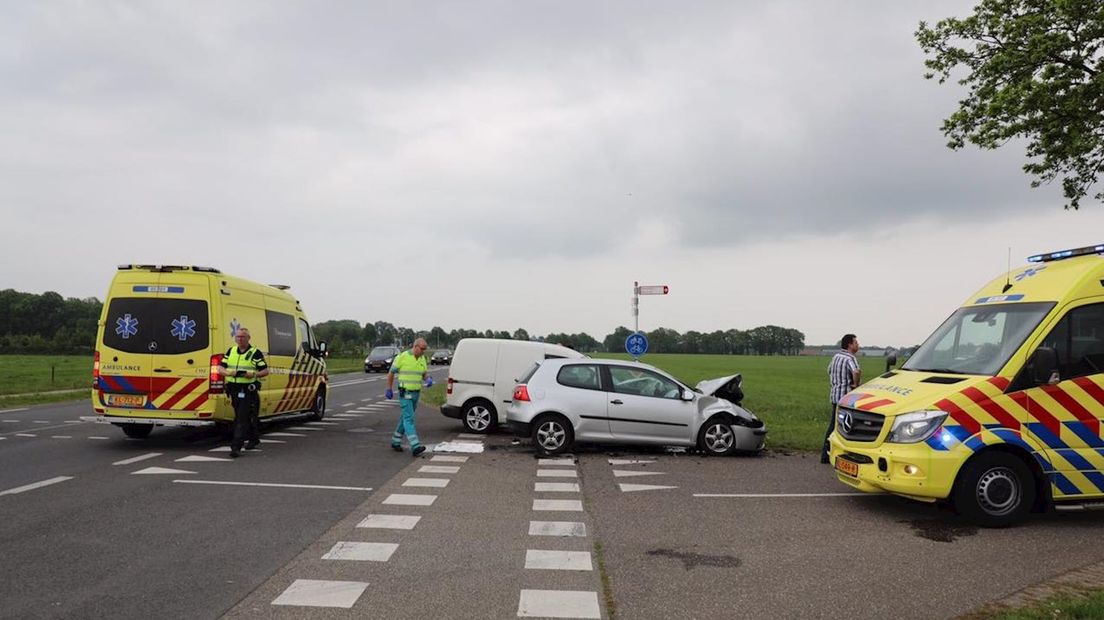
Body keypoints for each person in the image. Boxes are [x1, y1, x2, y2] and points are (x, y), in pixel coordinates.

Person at [218, 327, 269, 458]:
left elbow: (265, 371)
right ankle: (253, 438)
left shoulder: (255, 353)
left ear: (248, 338)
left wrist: (253, 374)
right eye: (238, 337)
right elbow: (220, 368)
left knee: (241, 417)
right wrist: (228, 372)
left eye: (243, 337)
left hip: (247, 389)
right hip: (234, 388)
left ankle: (236, 446)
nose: (240, 339)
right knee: (242, 415)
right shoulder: (231, 351)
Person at [386, 338, 433, 457]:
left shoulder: (422, 358)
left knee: (405, 418)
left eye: (425, 349)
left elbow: (423, 373)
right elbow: (391, 373)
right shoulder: (402, 357)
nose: (423, 351)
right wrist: (389, 388)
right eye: (422, 349)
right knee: (409, 418)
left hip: (416, 393)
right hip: (405, 393)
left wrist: (428, 379)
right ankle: (415, 445)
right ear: (415, 346)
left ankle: (395, 441)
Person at [822, 333, 861, 464]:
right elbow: (856, 371)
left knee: (833, 425)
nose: (858, 345)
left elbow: (829, 371)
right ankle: (847, 456)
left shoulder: (836, 357)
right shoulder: (850, 358)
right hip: (846, 399)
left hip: (834, 395)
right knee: (847, 427)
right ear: (850, 344)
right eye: (856, 343)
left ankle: (825, 454)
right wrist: (855, 384)